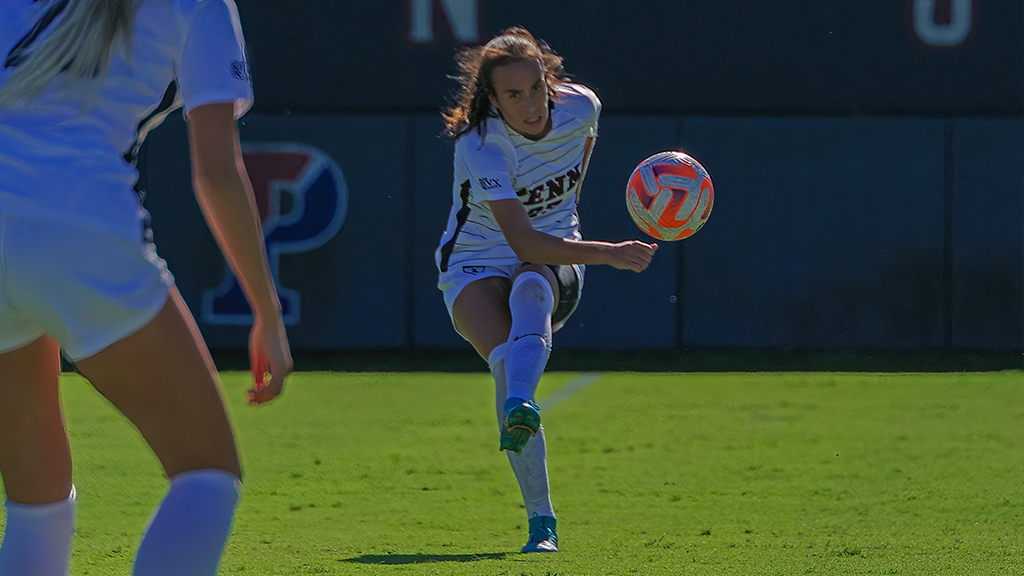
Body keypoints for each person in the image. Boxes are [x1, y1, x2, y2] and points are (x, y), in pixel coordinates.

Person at [0, 1, 292, 574]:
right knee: (206, 472)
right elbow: (215, 169)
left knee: (36, 499)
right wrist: (267, 311)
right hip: (79, 219)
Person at [435, 26, 658, 553]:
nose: (531, 103)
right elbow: (518, 237)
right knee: (504, 358)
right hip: (473, 262)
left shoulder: (582, 109)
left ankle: (539, 508)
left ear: (549, 78)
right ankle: (540, 509)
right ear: (491, 97)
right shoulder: (481, 143)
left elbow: (561, 201)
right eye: (514, 94)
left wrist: (574, 231)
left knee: (531, 289)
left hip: (553, 249)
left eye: (537, 87)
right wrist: (609, 253)